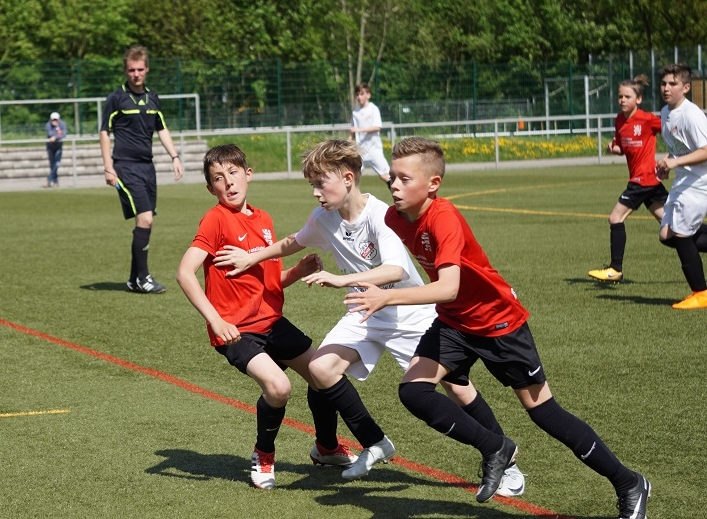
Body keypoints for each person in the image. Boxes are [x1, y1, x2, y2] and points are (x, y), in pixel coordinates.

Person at [346, 137, 650, 517]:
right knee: (414, 391)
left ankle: (629, 482)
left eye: (404, 179)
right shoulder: (395, 218)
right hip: (455, 322)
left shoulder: (443, 217)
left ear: (433, 183)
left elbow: (448, 286)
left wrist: (386, 298)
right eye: (393, 177)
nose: (394, 185)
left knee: (543, 412)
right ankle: (496, 447)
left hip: (498, 323)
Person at [214, 139, 524, 495]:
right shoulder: (323, 218)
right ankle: (374, 443)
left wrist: (342, 279)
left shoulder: (381, 216)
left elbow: (394, 270)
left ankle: (507, 461)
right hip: (365, 311)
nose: (315, 192)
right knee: (320, 368)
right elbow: (292, 242)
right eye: (312, 184)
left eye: (321, 183)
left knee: (456, 387)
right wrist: (252, 258)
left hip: (408, 312)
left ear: (348, 179)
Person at [176, 144, 357, 490]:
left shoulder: (263, 220)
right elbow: (185, 273)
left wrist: (296, 271)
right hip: (237, 330)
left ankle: (326, 447)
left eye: (233, 173)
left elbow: (268, 281)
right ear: (211, 188)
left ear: (248, 174)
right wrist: (216, 321)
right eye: (218, 178)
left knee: (324, 373)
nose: (228, 182)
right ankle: (263, 454)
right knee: (279, 387)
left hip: (272, 322)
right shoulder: (216, 219)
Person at [100, 45, 183, 294]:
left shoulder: (153, 98)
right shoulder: (116, 98)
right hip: (125, 167)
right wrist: (108, 167)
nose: (135, 74)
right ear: (125, 71)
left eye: (139, 69)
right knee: (145, 218)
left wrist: (175, 156)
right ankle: (144, 278)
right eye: (131, 70)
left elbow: (161, 128)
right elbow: (104, 132)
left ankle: (133, 279)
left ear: (146, 69)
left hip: (148, 167)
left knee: (145, 221)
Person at [588, 75, 666, 282]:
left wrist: (672, 157)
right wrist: (613, 149)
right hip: (648, 183)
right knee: (672, 227)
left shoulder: (647, 119)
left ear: (638, 99)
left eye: (627, 96)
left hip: (643, 180)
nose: (622, 100)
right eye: (620, 96)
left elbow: (673, 134)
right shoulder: (620, 120)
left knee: (615, 218)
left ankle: (615, 269)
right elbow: (623, 148)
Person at [655, 62, 707, 309]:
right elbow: (679, 148)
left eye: (672, 84)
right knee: (666, 235)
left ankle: (701, 293)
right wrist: (667, 163)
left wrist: (675, 163)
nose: (666, 88)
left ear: (686, 88)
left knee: (682, 233)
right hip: (683, 180)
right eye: (664, 83)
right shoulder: (666, 112)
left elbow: (705, 150)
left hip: (700, 182)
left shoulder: (691, 114)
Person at [349, 83, 390, 189]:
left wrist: (359, 130)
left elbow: (377, 127)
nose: (359, 97)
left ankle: (399, 195)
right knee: (352, 177)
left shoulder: (373, 109)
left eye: (361, 94)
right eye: (357, 95)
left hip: (374, 150)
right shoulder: (355, 112)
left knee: (385, 176)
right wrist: (347, 142)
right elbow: (353, 131)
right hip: (360, 151)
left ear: (368, 95)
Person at [44, 111, 67, 188]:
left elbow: (64, 134)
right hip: (50, 146)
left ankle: (49, 179)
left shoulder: (62, 124)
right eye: (53, 120)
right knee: (52, 164)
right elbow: (50, 134)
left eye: (56, 120)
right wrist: (56, 133)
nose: (54, 121)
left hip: (58, 146)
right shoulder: (48, 125)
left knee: (57, 164)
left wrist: (56, 137)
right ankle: (55, 182)